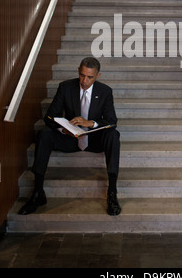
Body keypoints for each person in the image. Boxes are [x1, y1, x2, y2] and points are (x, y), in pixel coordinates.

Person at [18, 57, 121, 216]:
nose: (84, 80)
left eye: (89, 77)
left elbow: (112, 121)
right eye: (82, 75)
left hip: (94, 140)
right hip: (70, 138)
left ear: (98, 76)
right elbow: (50, 117)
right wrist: (63, 128)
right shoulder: (66, 87)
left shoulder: (105, 91)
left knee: (113, 135)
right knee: (44, 134)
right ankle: (38, 193)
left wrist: (91, 123)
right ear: (78, 70)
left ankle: (112, 193)